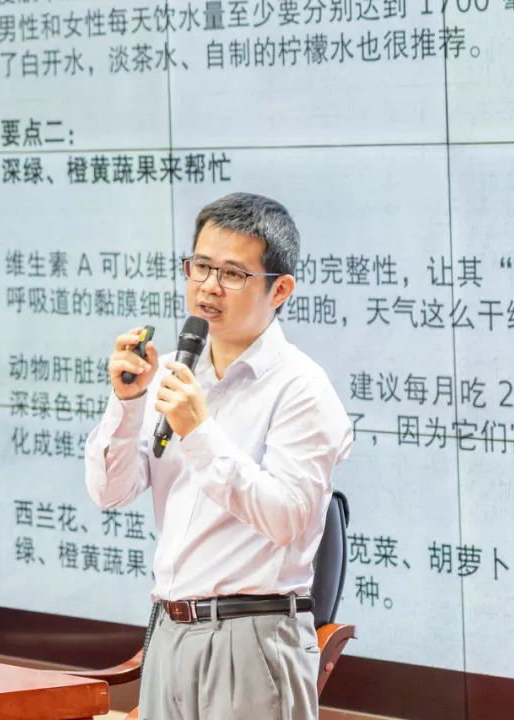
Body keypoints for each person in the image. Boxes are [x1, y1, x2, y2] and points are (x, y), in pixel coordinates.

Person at [84, 192, 353, 720]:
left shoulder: (302, 388)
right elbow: (109, 492)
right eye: (201, 266)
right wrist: (128, 403)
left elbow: (288, 518)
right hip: (168, 629)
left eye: (232, 274)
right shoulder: (175, 373)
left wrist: (199, 432)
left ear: (280, 289)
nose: (208, 286)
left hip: (252, 637)